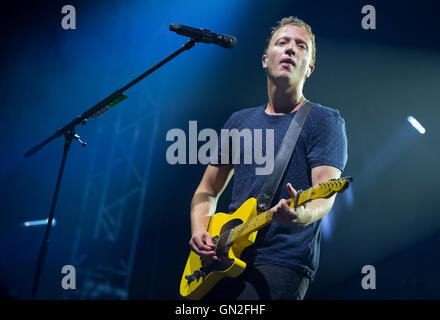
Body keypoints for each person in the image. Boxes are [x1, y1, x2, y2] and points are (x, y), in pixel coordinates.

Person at [188, 16, 348, 300]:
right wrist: (200, 229)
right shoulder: (239, 121)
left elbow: (325, 194)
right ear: (265, 60)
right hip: (221, 257)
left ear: (309, 68)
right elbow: (207, 189)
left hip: (281, 263)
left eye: (301, 46)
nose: (290, 49)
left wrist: (302, 215)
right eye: (282, 43)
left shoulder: (324, 120)